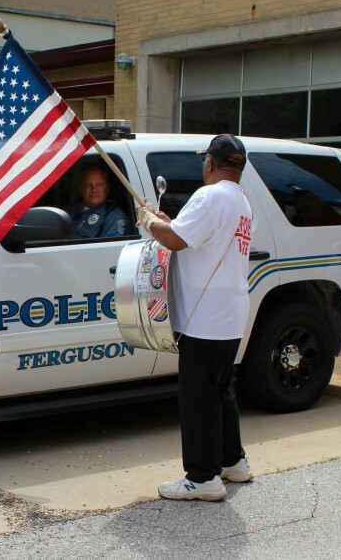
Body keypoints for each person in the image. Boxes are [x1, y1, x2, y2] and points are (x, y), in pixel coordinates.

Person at [135, 134, 254, 502]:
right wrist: (166, 223)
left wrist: (148, 222)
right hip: (229, 314)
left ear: (210, 164)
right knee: (221, 390)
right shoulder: (241, 201)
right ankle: (232, 461)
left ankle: (203, 478)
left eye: (205, 161)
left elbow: (174, 241)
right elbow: (192, 235)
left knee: (200, 397)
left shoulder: (210, 195)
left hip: (204, 317)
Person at [63, 165, 129, 238]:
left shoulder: (114, 218)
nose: (94, 190)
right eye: (88, 185)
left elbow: (109, 248)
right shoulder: (69, 210)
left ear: (107, 188)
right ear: (80, 188)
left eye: (100, 185)